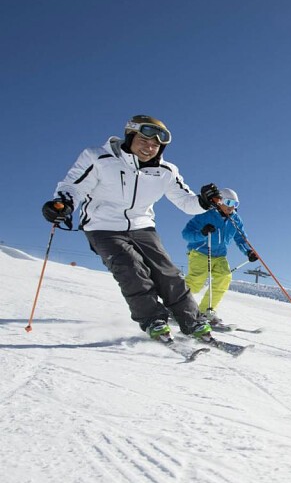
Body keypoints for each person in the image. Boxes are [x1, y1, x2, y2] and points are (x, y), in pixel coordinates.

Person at [42, 115, 225, 341]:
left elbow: (186, 202)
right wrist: (64, 203)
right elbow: (72, 186)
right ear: (129, 136)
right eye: (144, 141)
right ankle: (154, 321)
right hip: (103, 226)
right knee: (131, 269)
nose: (149, 148)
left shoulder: (166, 171)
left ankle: (192, 321)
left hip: (142, 226)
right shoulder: (99, 158)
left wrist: (203, 201)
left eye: (156, 145)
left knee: (168, 273)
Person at [181, 188, 258, 326]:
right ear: (219, 201)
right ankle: (178, 307)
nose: (232, 207)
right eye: (229, 202)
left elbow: (241, 238)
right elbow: (186, 233)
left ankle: (205, 311)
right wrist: (202, 233)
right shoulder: (205, 214)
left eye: (236, 204)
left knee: (224, 278)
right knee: (196, 281)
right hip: (200, 251)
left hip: (220, 254)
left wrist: (249, 251)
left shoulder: (235, 219)